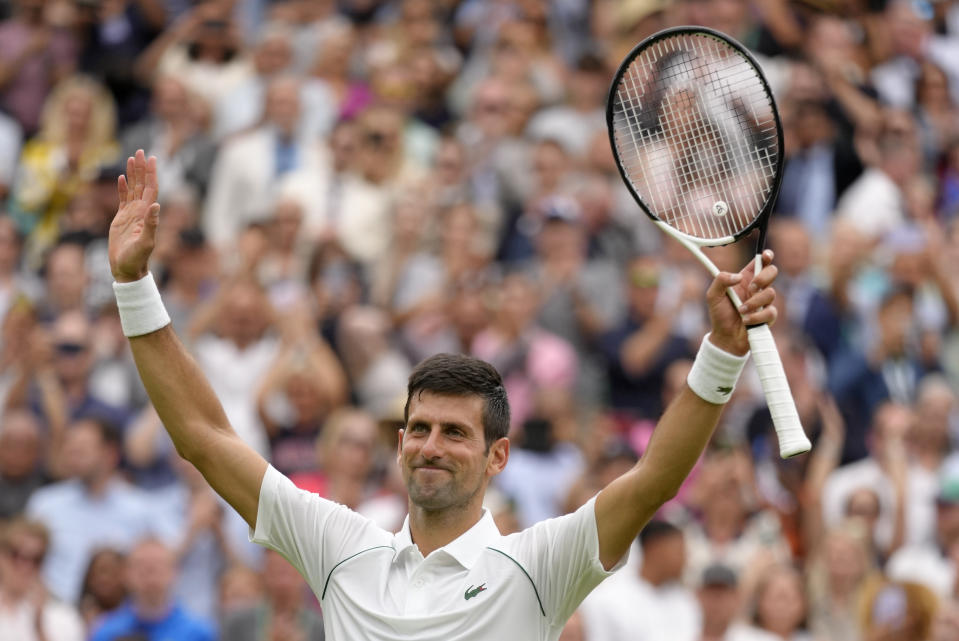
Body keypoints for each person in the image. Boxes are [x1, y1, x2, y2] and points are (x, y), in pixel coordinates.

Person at [107, 150, 780, 640]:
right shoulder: (340, 547)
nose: (431, 444)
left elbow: (655, 476)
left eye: (455, 432)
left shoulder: (537, 564)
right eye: (421, 428)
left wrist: (721, 350)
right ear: (398, 444)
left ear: (498, 456)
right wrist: (134, 285)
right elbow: (205, 436)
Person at [89, 538, 215, 641]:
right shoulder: (106, 632)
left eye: (157, 566)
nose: (149, 574)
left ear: (175, 572)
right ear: (126, 573)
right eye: (141, 566)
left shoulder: (199, 633)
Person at [0, 518, 85, 641]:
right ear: (2, 555)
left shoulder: (62, 616)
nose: (26, 566)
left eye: (36, 559)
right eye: (17, 555)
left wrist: (39, 627)